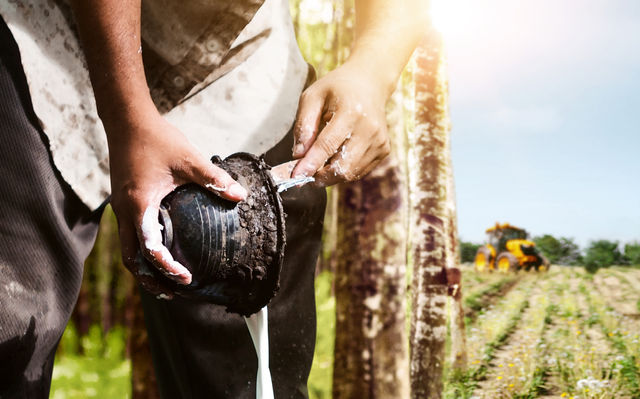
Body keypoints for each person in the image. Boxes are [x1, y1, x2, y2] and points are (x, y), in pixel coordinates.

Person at [0, 0, 426, 396]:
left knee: (241, 376)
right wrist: (127, 115)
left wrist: (372, 69)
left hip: (236, 59)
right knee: (12, 323)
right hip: (49, 38)